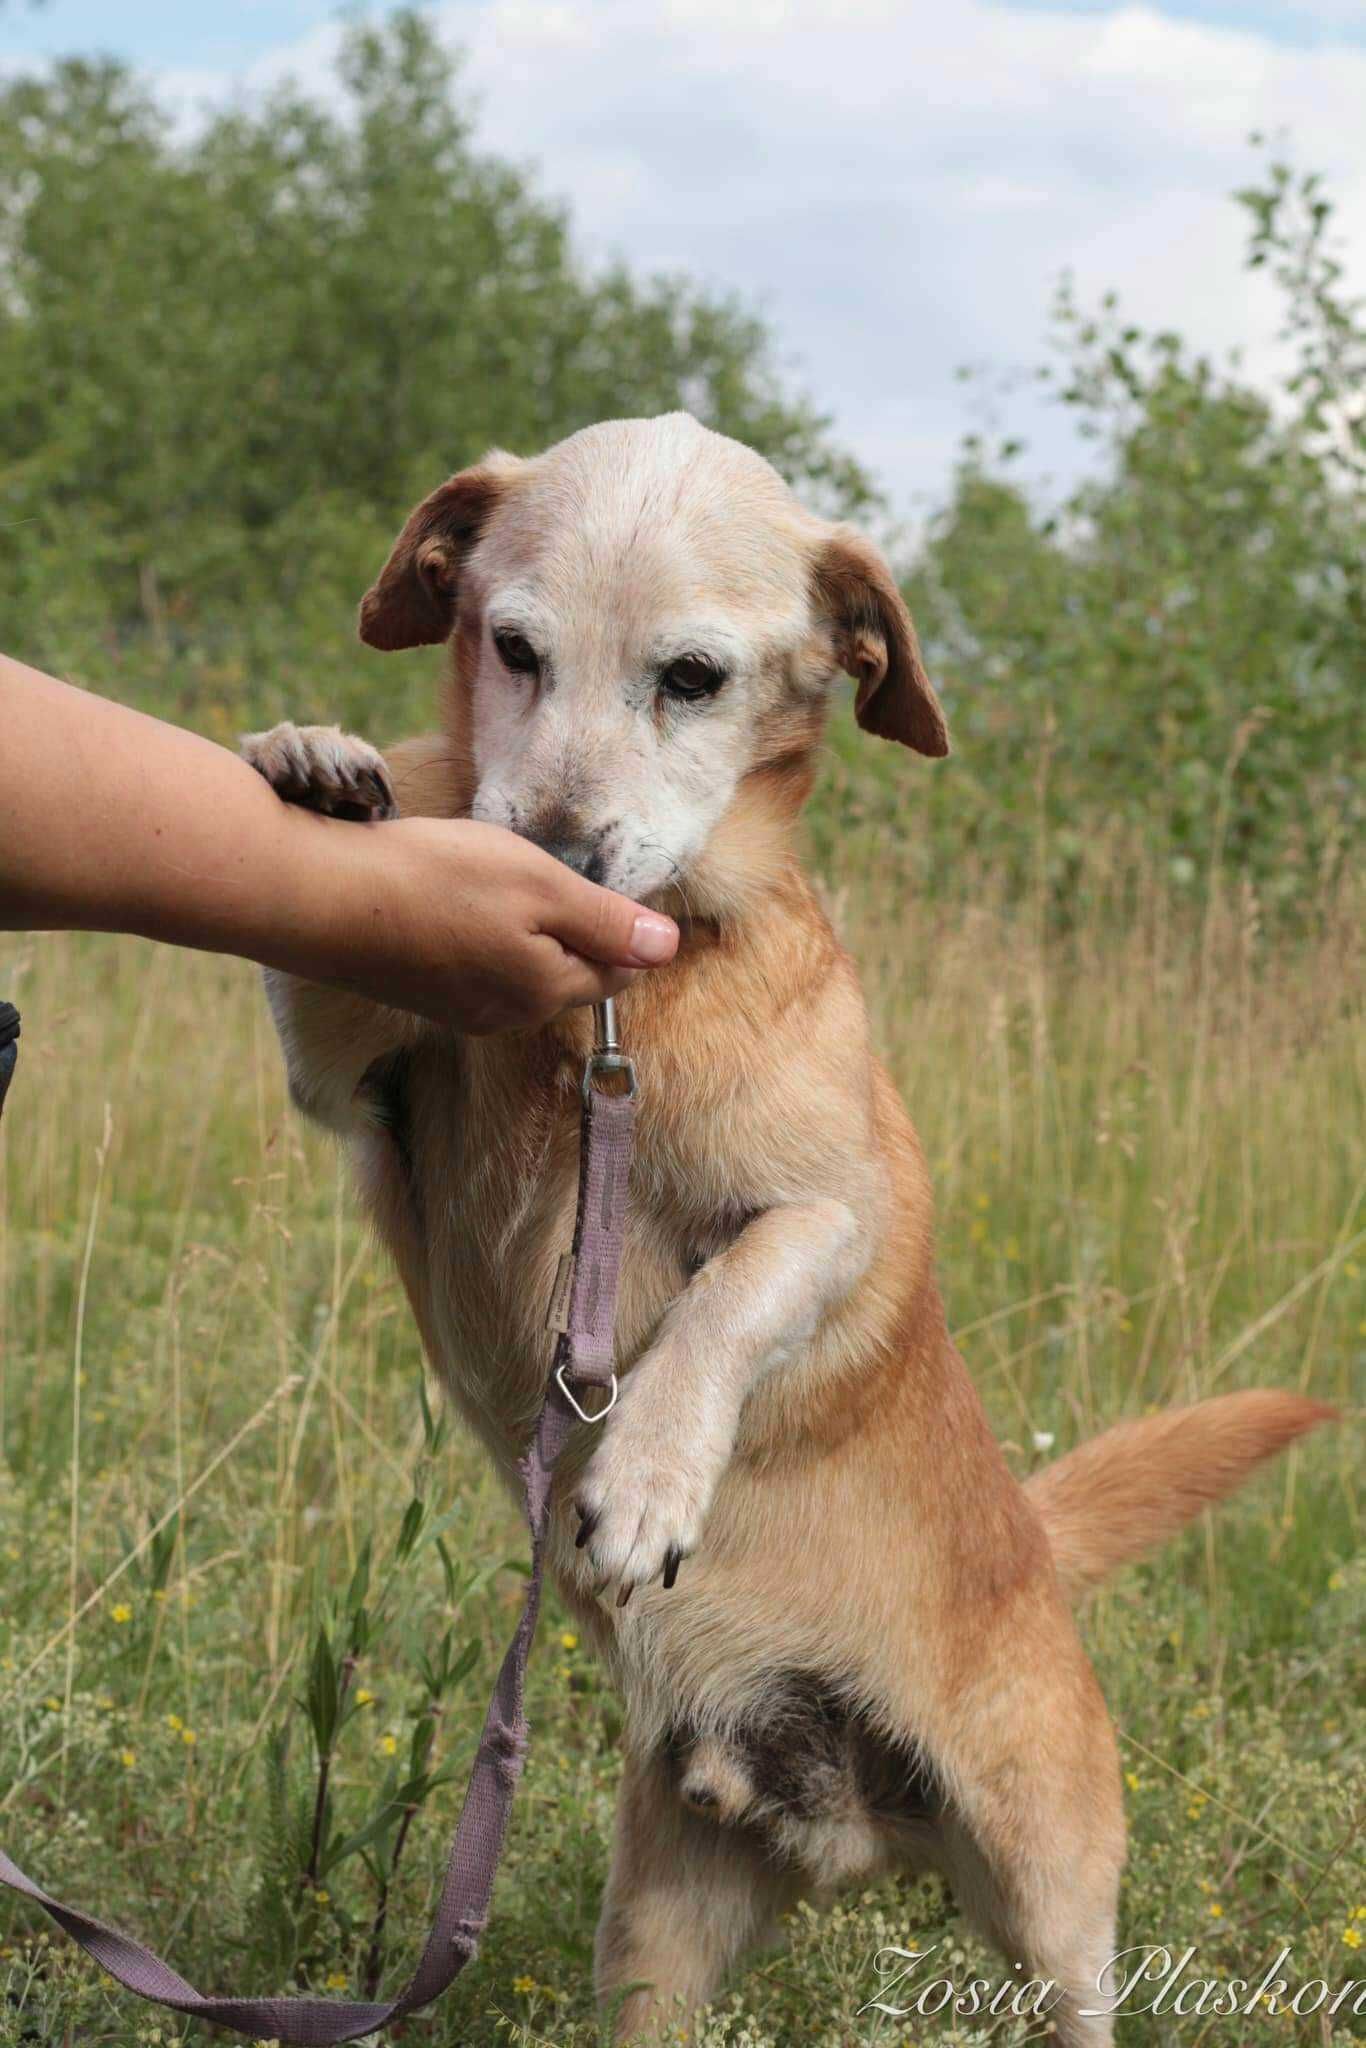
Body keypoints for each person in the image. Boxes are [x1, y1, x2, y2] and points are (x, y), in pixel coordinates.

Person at [0, 653, 679, 1036]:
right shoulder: (435, 818)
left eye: (688, 680)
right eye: (521, 653)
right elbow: (323, 1078)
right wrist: (330, 865)